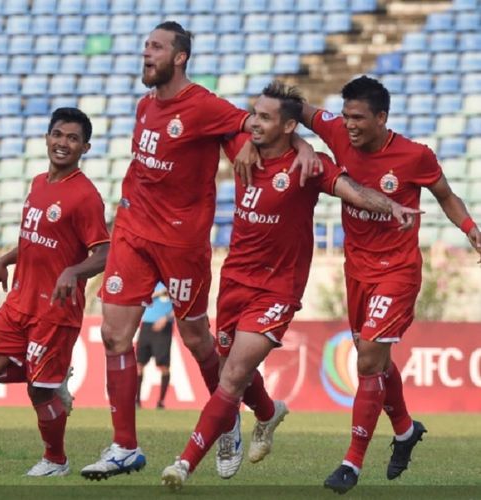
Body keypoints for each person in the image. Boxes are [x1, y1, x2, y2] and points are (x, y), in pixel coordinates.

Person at [80, 20, 322, 482]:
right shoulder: (144, 106)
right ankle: (124, 447)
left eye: (156, 47)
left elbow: (262, 132)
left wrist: (303, 144)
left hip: (181, 243)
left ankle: (231, 418)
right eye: (145, 46)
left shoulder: (205, 105)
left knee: (196, 338)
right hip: (133, 232)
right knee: (113, 335)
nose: (146, 53)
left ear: (179, 57)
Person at [160, 80, 422, 490]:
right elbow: (212, 122)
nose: (254, 123)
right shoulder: (239, 148)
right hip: (234, 280)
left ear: (287, 126)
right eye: (254, 115)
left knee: (232, 375)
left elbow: (352, 191)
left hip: (277, 290)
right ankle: (266, 414)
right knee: (231, 365)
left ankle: (185, 462)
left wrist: (390, 205)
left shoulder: (310, 165)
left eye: (264, 118)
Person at [298, 75, 481, 493]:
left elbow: (446, 195)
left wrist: (470, 228)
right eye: (345, 117)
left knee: (366, 360)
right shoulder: (338, 132)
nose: (349, 125)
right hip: (356, 271)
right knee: (376, 360)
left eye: (359, 118)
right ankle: (404, 430)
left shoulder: (415, 156)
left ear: (382, 117)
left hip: (397, 272)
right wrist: (304, 143)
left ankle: (352, 462)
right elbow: (298, 111)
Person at [0, 108, 110, 477]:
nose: (63, 143)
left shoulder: (85, 197)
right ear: (47, 138)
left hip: (55, 309)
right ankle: (52, 375)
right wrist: (6, 258)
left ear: (86, 147)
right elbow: (38, 241)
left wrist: (74, 271)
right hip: (20, 300)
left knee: (39, 393)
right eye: (58, 135)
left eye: (73, 139)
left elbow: (106, 253)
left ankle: (56, 460)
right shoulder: (38, 182)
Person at [135, 282, 174, 409]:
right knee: (139, 364)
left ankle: (161, 401)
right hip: (146, 325)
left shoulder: (172, 282)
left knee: (163, 365)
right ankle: (137, 400)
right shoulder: (150, 282)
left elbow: (181, 307)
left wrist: (166, 318)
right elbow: (140, 298)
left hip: (164, 326)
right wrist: (159, 293)